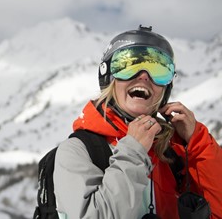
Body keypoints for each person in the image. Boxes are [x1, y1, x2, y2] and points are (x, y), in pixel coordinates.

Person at [53, 25, 222, 218]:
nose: (143, 76)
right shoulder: (80, 150)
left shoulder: (171, 154)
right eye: (128, 66)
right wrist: (133, 152)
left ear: (166, 88)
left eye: (158, 70)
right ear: (109, 78)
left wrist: (197, 143)